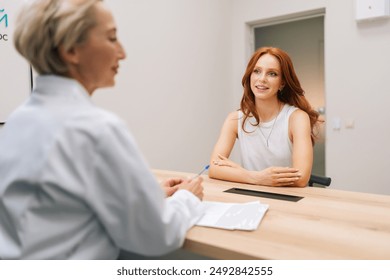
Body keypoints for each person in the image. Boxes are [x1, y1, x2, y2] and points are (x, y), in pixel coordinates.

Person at [0, 0, 204, 259]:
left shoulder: (19, 122)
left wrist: (146, 198)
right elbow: (156, 236)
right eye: (112, 38)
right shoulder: (95, 129)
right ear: (71, 49)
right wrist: (186, 198)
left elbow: (52, 211)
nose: (122, 53)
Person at [209, 47, 320, 187]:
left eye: (272, 74)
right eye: (257, 71)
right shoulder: (234, 119)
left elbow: (301, 178)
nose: (262, 79)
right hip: (251, 197)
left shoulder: (297, 118)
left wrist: (239, 172)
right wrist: (255, 177)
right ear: (250, 76)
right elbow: (213, 169)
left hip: (286, 198)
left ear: (282, 83)